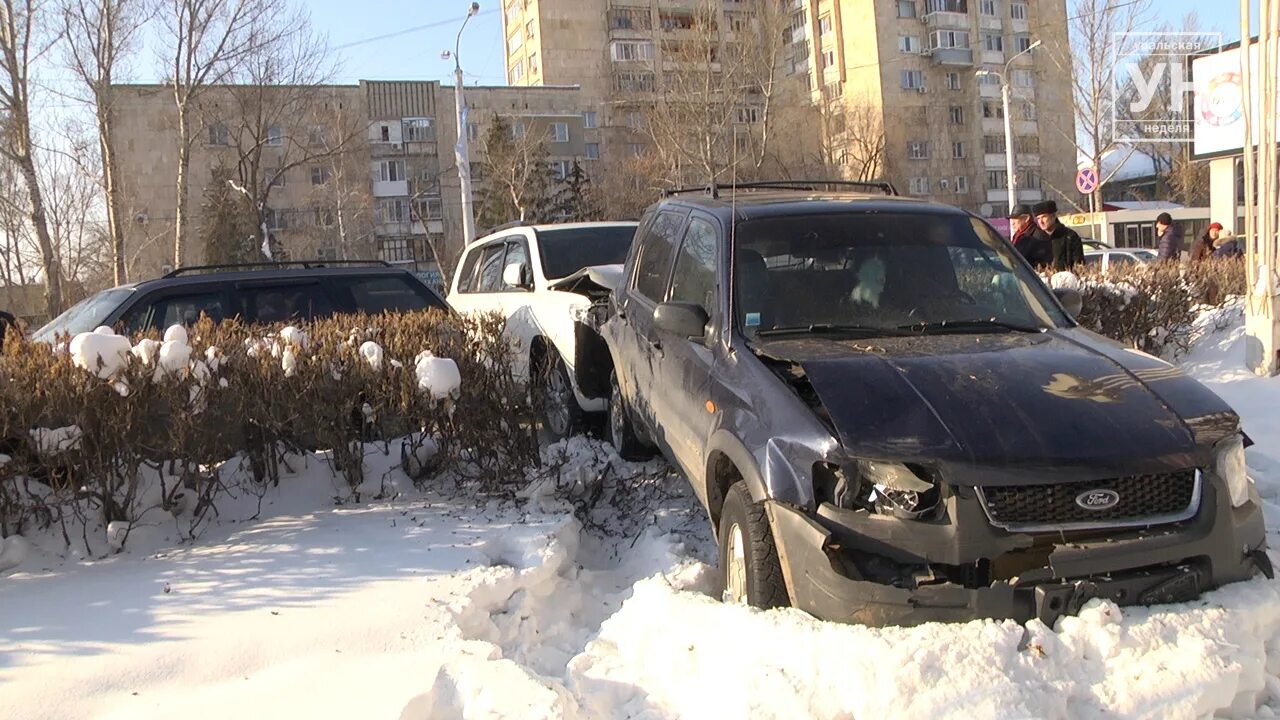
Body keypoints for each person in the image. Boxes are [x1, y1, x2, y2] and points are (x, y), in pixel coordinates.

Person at [1032, 200, 1084, 270]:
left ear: (1053, 216)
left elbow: (1078, 263)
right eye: (1038, 218)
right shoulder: (1035, 239)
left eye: (1044, 217)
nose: (1041, 221)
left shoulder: (1070, 236)